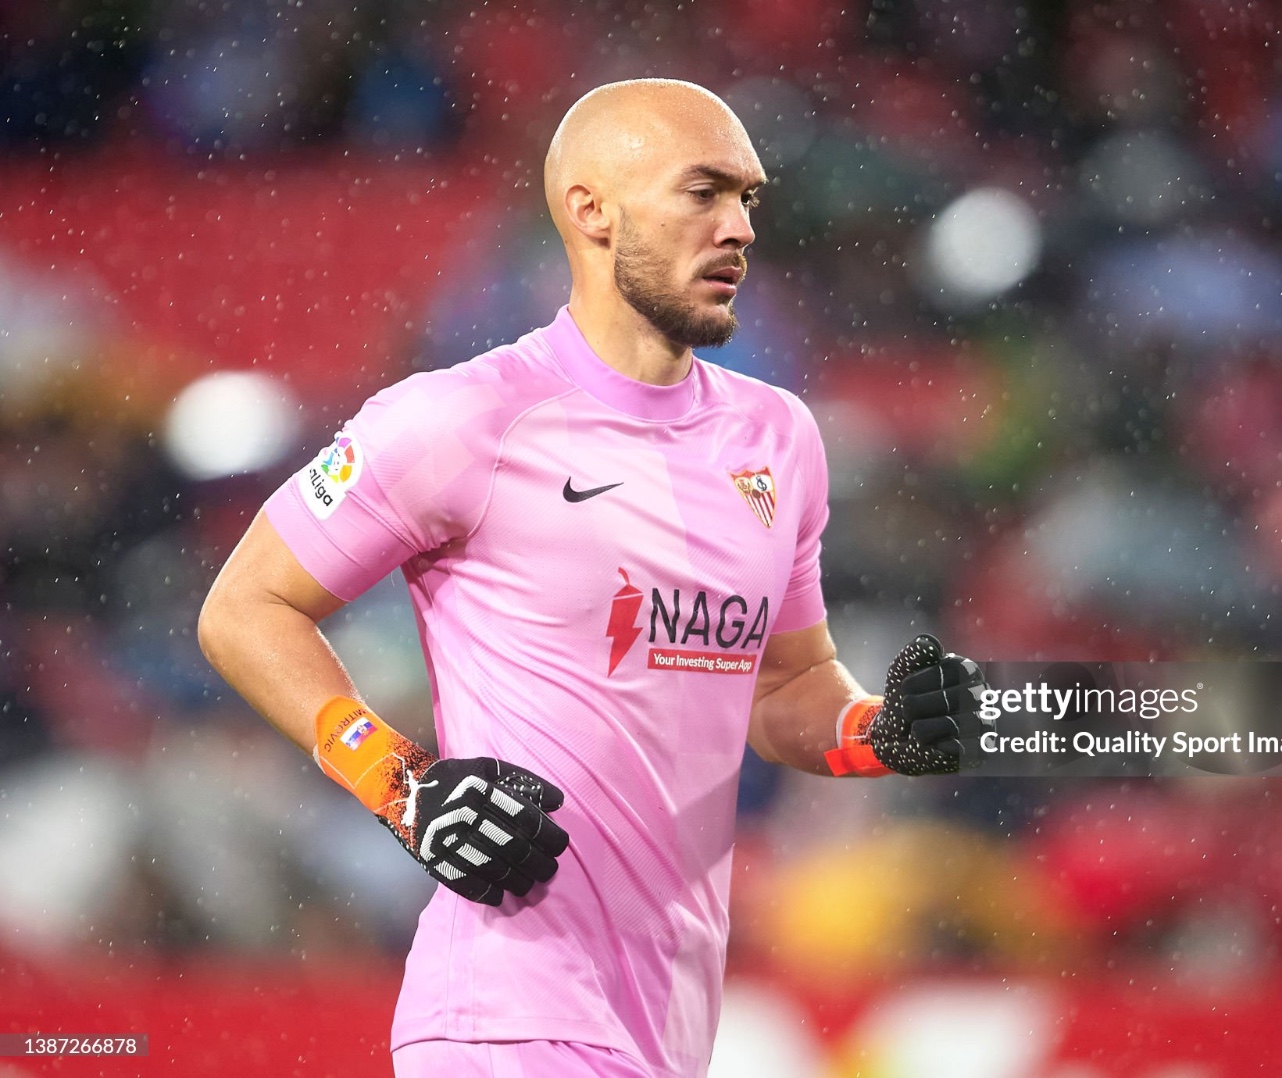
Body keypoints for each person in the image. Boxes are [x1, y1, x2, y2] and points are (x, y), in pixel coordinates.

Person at [198, 78, 990, 1078]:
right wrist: (400, 785)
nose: (738, 226)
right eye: (700, 193)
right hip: (502, 1019)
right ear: (590, 210)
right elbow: (244, 607)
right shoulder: (461, 419)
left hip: (670, 1029)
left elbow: (786, 688)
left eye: (747, 197)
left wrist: (879, 732)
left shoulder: (776, 436)